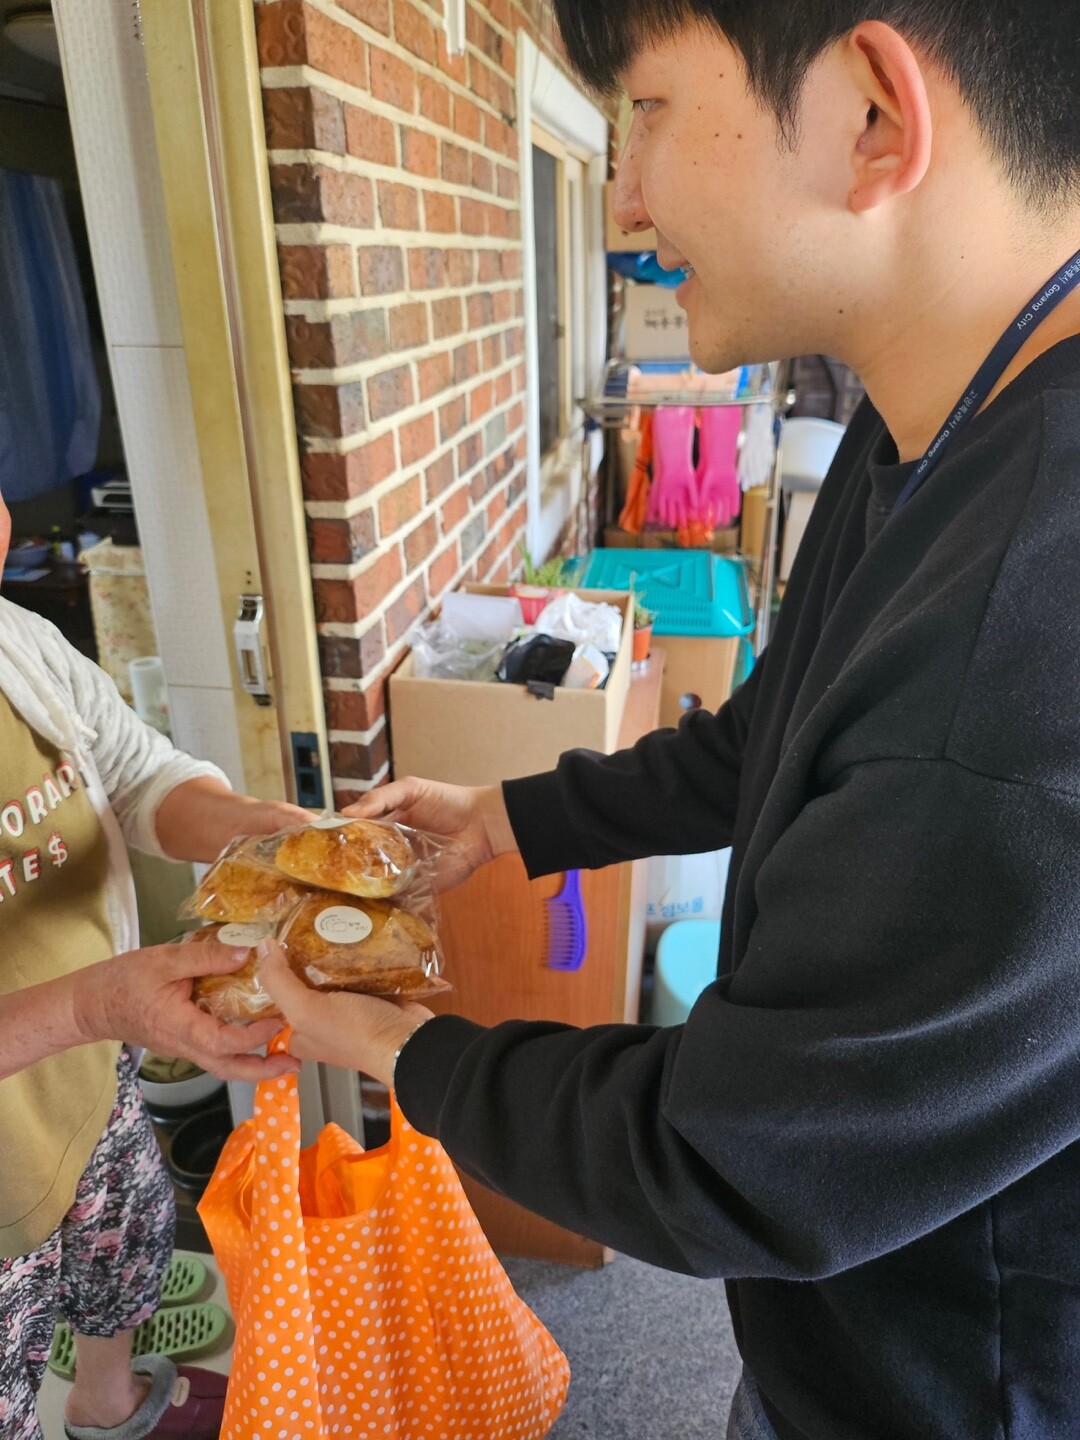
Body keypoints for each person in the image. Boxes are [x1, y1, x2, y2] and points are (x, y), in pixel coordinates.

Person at [260, 3, 1080, 1438]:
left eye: (643, 108)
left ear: (873, 117)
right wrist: (505, 820)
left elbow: (732, 1155)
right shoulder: (938, 417)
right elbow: (780, 730)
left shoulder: (1025, 641)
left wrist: (399, 1048)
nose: (622, 200)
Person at [0, 487, 304, 1440]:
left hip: (90, 1076)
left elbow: (137, 775)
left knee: (124, 1246)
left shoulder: (17, 642)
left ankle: (110, 1402)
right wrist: (96, 1008)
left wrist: (265, 833)